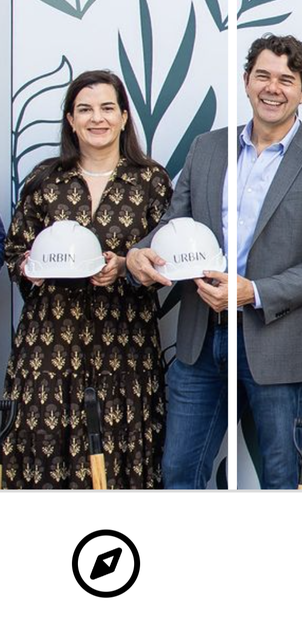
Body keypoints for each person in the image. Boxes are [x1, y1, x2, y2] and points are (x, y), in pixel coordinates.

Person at [128, 35, 302, 489]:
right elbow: (176, 224)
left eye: (286, 80)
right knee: (179, 472)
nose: (273, 88)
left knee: (279, 478)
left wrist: (255, 291)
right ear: (247, 82)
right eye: (263, 76)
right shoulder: (207, 148)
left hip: (278, 344)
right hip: (199, 341)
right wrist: (141, 251)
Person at [2, 70, 171, 489]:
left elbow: (168, 262)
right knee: (43, 453)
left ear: (125, 117)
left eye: (107, 108)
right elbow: (13, 254)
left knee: (122, 459)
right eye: (85, 109)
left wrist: (128, 268)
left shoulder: (152, 181)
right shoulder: (44, 179)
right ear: (70, 120)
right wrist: (34, 266)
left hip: (126, 349)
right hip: (49, 345)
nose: (98, 118)